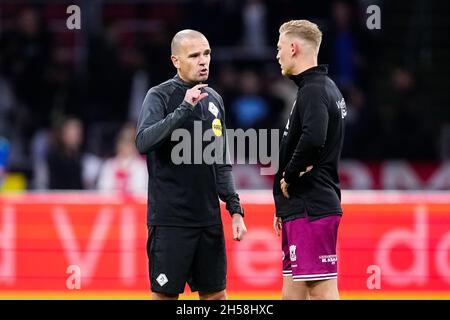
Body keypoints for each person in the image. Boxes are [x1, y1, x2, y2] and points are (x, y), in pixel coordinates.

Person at [135, 29, 246, 300]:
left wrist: (235, 209)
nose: (203, 60)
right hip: (171, 222)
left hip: (208, 220)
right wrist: (183, 109)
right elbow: (143, 142)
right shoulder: (159, 96)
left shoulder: (215, 100)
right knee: (165, 297)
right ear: (176, 60)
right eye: (194, 55)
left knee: (217, 296)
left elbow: (220, 161)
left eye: (206, 53)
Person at [273, 20, 346, 300]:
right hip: (301, 207)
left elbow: (314, 139)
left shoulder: (313, 90)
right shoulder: (324, 88)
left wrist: (288, 178)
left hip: (311, 206)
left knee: (321, 290)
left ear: (294, 48)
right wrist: (284, 203)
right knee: (292, 292)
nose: (277, 55)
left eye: (280, 48)